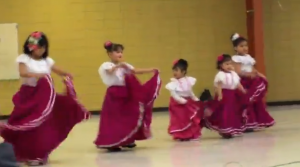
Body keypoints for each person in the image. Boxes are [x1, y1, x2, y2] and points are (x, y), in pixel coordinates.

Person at [0, 31, 90, 166]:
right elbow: (23, 72)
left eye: (43, 48)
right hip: (29, 96)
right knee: (25, 122)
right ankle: (19, 151)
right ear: (31, 47)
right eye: (39, 48)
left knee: (42, 125)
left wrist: (67, 74)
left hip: (45, 97)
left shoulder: (47, 60)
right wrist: (38, 75)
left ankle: (37, 153)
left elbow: (56, 69)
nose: (41, 50)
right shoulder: (24, 58)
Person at [95, 41, 161, 152]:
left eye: (121, 52)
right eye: (117, 52)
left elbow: (135, 71)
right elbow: (110, 72)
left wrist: (150, 70)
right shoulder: (106, 65)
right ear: (110, 54)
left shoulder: (125, 65)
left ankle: (128, 139)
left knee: (129, 115)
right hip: (114, 95)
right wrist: (119, 66)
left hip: (126, 93)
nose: (120, 54)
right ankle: (113, 142)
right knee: (114, 119)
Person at [230, 33, 275, 132]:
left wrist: (259, 74)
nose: (245, 48)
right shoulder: (236, 58)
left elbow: (253, 69)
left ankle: (255, 122)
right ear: (235, 48)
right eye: (241, 46)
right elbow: (238, 71)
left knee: (255, 101)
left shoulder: (249, 57)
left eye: (246, 45)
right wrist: (247, 74)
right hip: (244, 82)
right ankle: (245, 123)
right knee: (246, 101)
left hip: (252, 80)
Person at [204, 54, 246, 138]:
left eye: (230, 64)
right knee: (225, 113)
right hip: (224, 95)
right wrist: (219, 95)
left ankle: (233, 129)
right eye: (226, 64)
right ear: (221, 65)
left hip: (232, 95)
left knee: (233, 112)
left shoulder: (233, 73)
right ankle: (225, 130)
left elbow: (237, 83)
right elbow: (218, 86)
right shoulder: (220, 74)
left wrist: (242, 89)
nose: (229, 66)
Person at [165, 59, 201, 141]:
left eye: (177, 70)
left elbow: (189, 91)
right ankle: (181, 135)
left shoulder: (188, 80)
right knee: (180, 120)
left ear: (183, 71)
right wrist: (180, 100)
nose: (175, 72)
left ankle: (190, 134)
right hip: (177, 104)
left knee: (188, 118)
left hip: (187, 102)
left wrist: (194, 97)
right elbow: (173, 94)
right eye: (174, 70)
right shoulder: (173, 83)